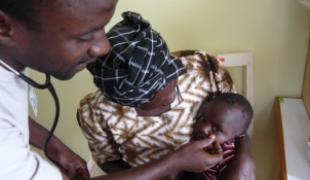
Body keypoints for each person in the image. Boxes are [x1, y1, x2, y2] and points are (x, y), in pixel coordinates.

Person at [0, 1, 224, 180]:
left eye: (102, 29)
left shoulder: (203, 70)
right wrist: (174, 163)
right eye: (84, 36)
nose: (103, 48)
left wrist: (55, 147)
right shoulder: (95, 113)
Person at [77, 11, 254, 179]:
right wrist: (168, 168)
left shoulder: (204, 69)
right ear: (129, 103)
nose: (173, 97)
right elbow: (108, 161)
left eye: (173, 75)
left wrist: (245, 159)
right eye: (162, 101)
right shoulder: (95, 113)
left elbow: (236, 120)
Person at [179, 92, 255, 180]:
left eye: (215, 128)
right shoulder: (197, 139)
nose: (204, 128)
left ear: (234, 136)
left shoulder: (226, 155)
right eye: (203, 118)